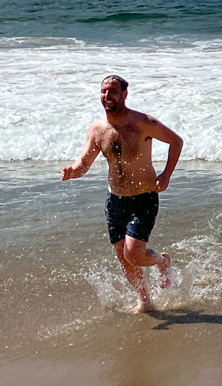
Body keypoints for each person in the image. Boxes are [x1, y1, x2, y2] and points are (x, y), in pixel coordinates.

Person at [61, 75, 183, 314]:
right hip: (115, 201)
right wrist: (72, 171)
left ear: (124, 95)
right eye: (104, 91)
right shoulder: (97, 130)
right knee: (123, 256)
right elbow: (84, 162)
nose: (107, 96)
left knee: (134, 254)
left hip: (144, 197)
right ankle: (145, 301)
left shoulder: (142, 122)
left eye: (113, 91)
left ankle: (162, 261)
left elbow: (176, 141)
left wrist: (166, 175)